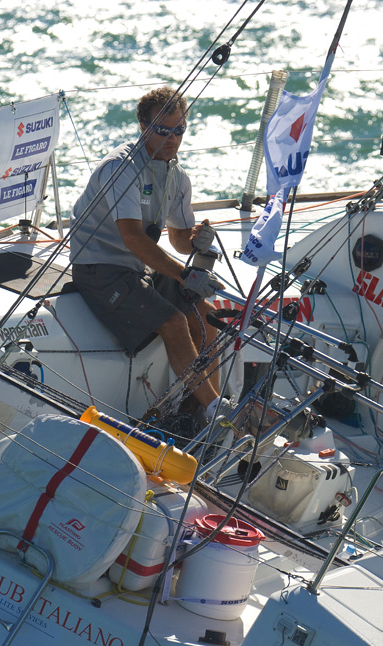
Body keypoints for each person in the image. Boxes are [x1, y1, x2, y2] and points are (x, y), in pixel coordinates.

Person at [70, 85, 225, 421]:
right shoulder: (121, 169)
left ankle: (195, 408)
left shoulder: (177, 176)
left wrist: (196, 242)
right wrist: (185, 275)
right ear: (143, 128)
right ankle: (219, 411)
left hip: (137, 268)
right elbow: (134, 239)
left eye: (179, 130)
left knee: (205, 313)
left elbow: (179, 240)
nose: (173, 139)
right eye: (163, 131)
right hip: (99, 267)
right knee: (173, 322)